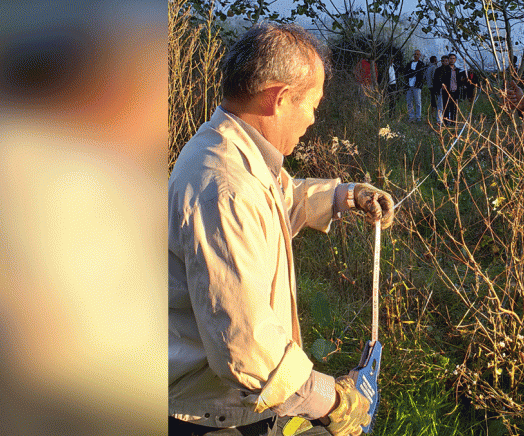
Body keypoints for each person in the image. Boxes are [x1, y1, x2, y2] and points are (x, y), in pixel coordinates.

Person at [168, 23, 395, 436]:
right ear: (278, 98)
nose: (313, 119)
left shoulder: (232, 151)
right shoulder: (224, 188)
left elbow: (279, 201)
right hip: (211, 412)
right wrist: (333, 402)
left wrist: (345, 195)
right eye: (311, 104)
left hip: (231, 398)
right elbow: (245, 345)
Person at [435, 53, 463, 126]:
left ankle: (453, 123)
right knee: (446, 107)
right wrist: (442, 85)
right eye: (451, 58)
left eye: (454, 58)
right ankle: (446, 123)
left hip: (455, 91)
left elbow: (459, 81)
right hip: (447, 91)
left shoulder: (457, 70)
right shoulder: (444, 69)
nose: (452, 60)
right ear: (449, 59)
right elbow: (439, 79)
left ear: (455, 60)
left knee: (454, 108)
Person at [403, 49, 426, 122]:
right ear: (413, 55)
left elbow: (421, 75)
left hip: (417, 86)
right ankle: (411, 117)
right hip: (409, 85)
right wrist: (413, 73)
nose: (416, 55)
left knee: (418, 102)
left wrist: (412, 73)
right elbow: (406, 73)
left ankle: (418, 117)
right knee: (409, 102)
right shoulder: (409, 64)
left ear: (420, 55)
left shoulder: (421, 64)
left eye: (417, 54)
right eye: (415, 54)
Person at [426, 55, 444, 124]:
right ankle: (434, 116)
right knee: (435, 102)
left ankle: (432, 115)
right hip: (434, 87)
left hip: (429, 86)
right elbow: (434, 77)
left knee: (433, 101)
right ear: (435, 60)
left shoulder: (428, 67)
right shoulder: (434, 68)